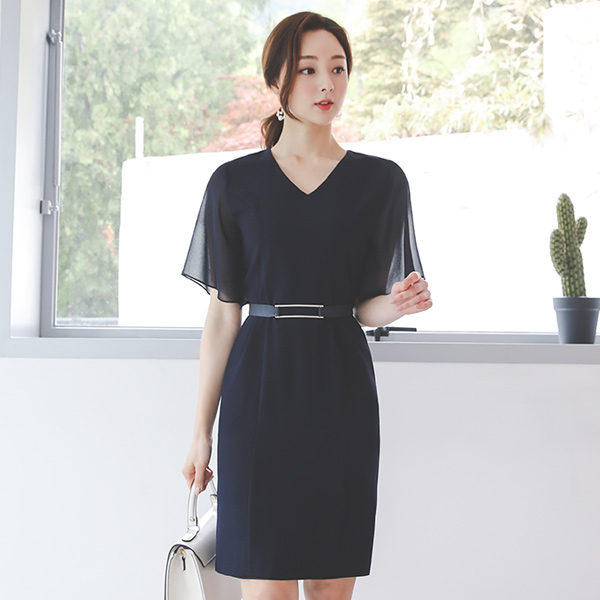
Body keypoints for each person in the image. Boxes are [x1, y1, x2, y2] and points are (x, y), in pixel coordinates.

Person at [181, 10, 432, 600]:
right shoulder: (233, 184)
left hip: (340, 393)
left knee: (328, 587)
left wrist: (396, 305)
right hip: (258, 394)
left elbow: (362, 308)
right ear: (278, 80)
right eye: (309, 69)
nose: (327, 84)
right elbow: (223, 315)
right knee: (265, 588)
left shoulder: (381, 183)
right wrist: (200, 432)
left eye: (338, 69)